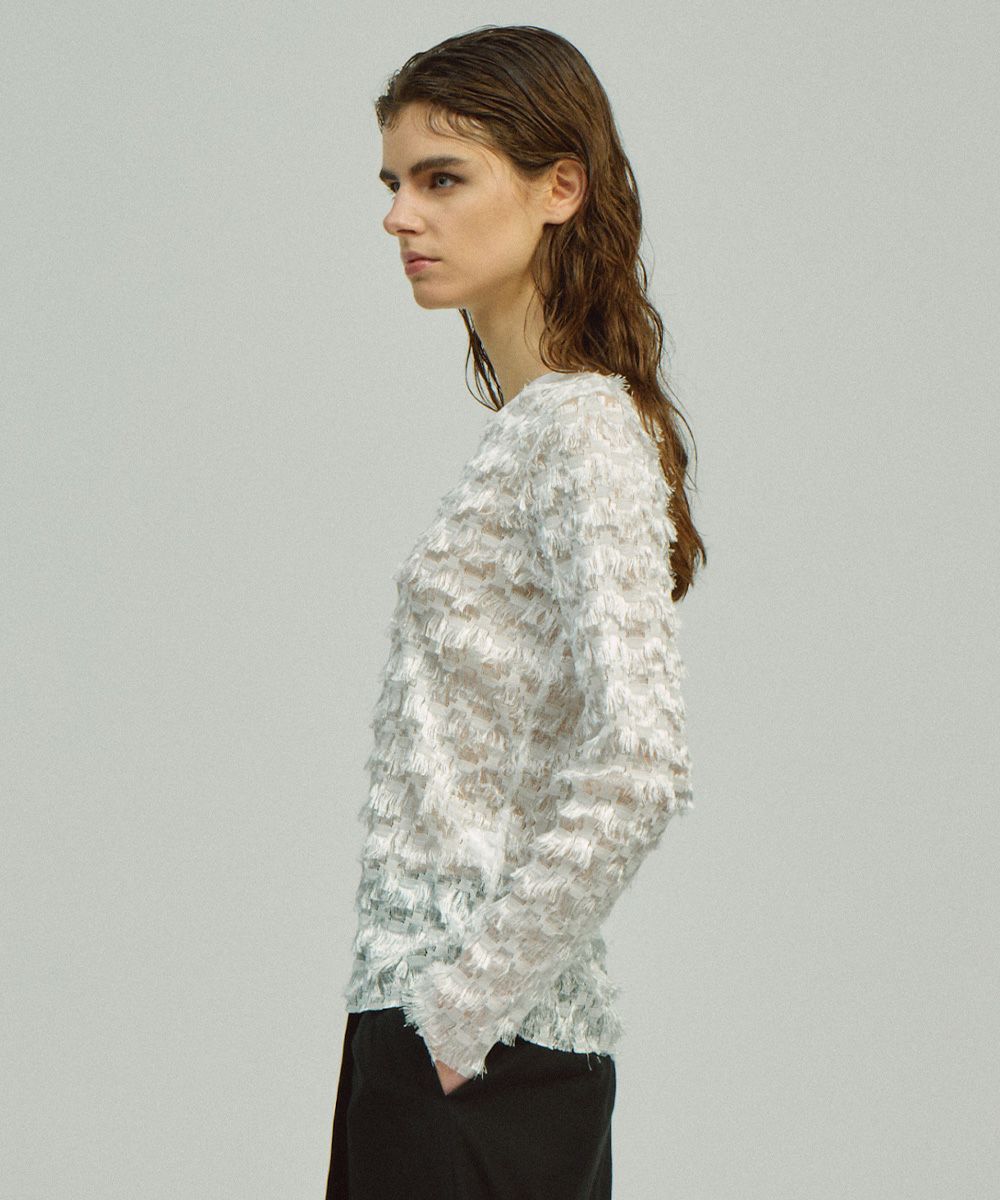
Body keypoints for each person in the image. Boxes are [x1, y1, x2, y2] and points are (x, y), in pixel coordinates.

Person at [325, 23, 707, 1200]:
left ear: (559, 189)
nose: (400, 216)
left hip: (475, 1051)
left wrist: (459, 1012)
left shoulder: (579, 429)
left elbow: (641, 761)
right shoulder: (539, 430)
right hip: (444, 1035)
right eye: (393, 182)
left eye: (441, 179)